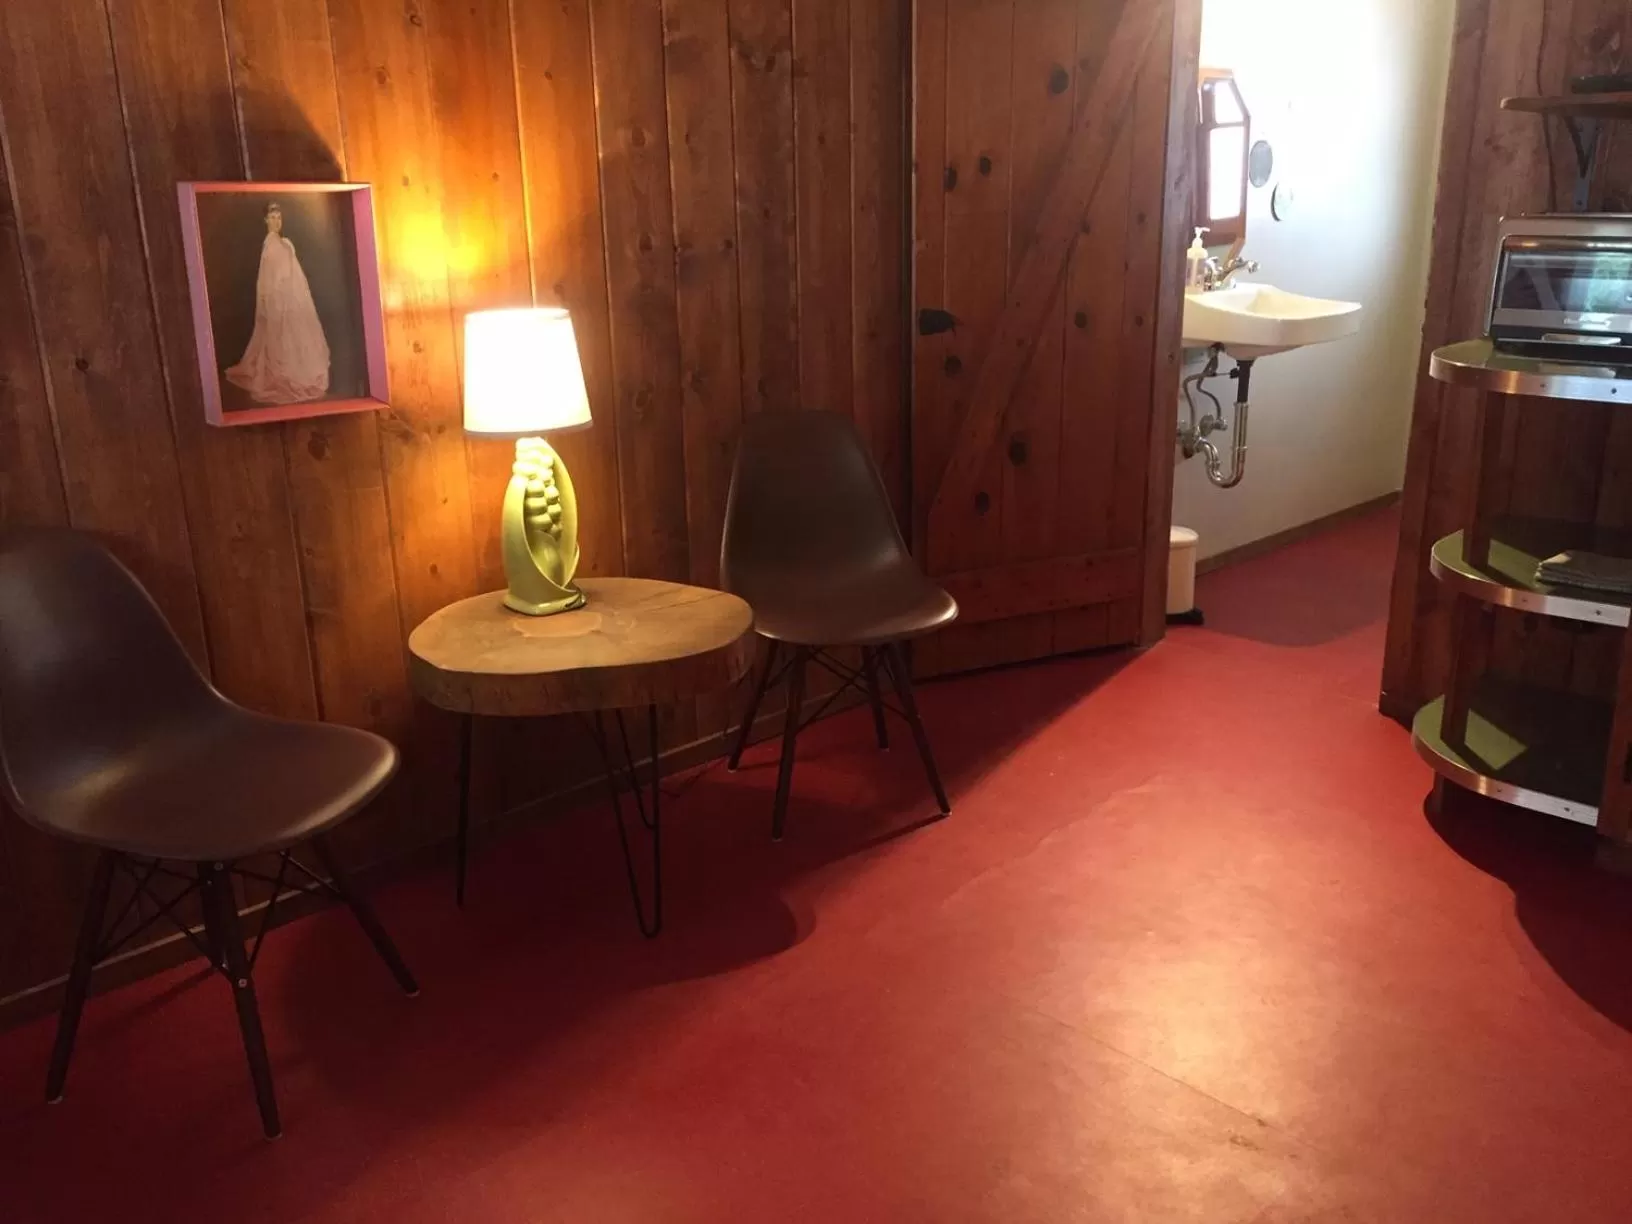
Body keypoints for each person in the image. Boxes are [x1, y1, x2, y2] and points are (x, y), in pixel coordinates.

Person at [225, 201, 331, 404]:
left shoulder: (285, 244)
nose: (276, 221)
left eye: (279, 217)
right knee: (281, 341)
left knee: (299, 338)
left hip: (293, 300)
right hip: (279, 301)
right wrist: (273, 304)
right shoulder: (271, 246)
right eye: (272, 217)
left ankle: (298, 374)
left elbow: (295, 277)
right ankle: (285, 377)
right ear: (265, 220)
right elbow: (267, 280)